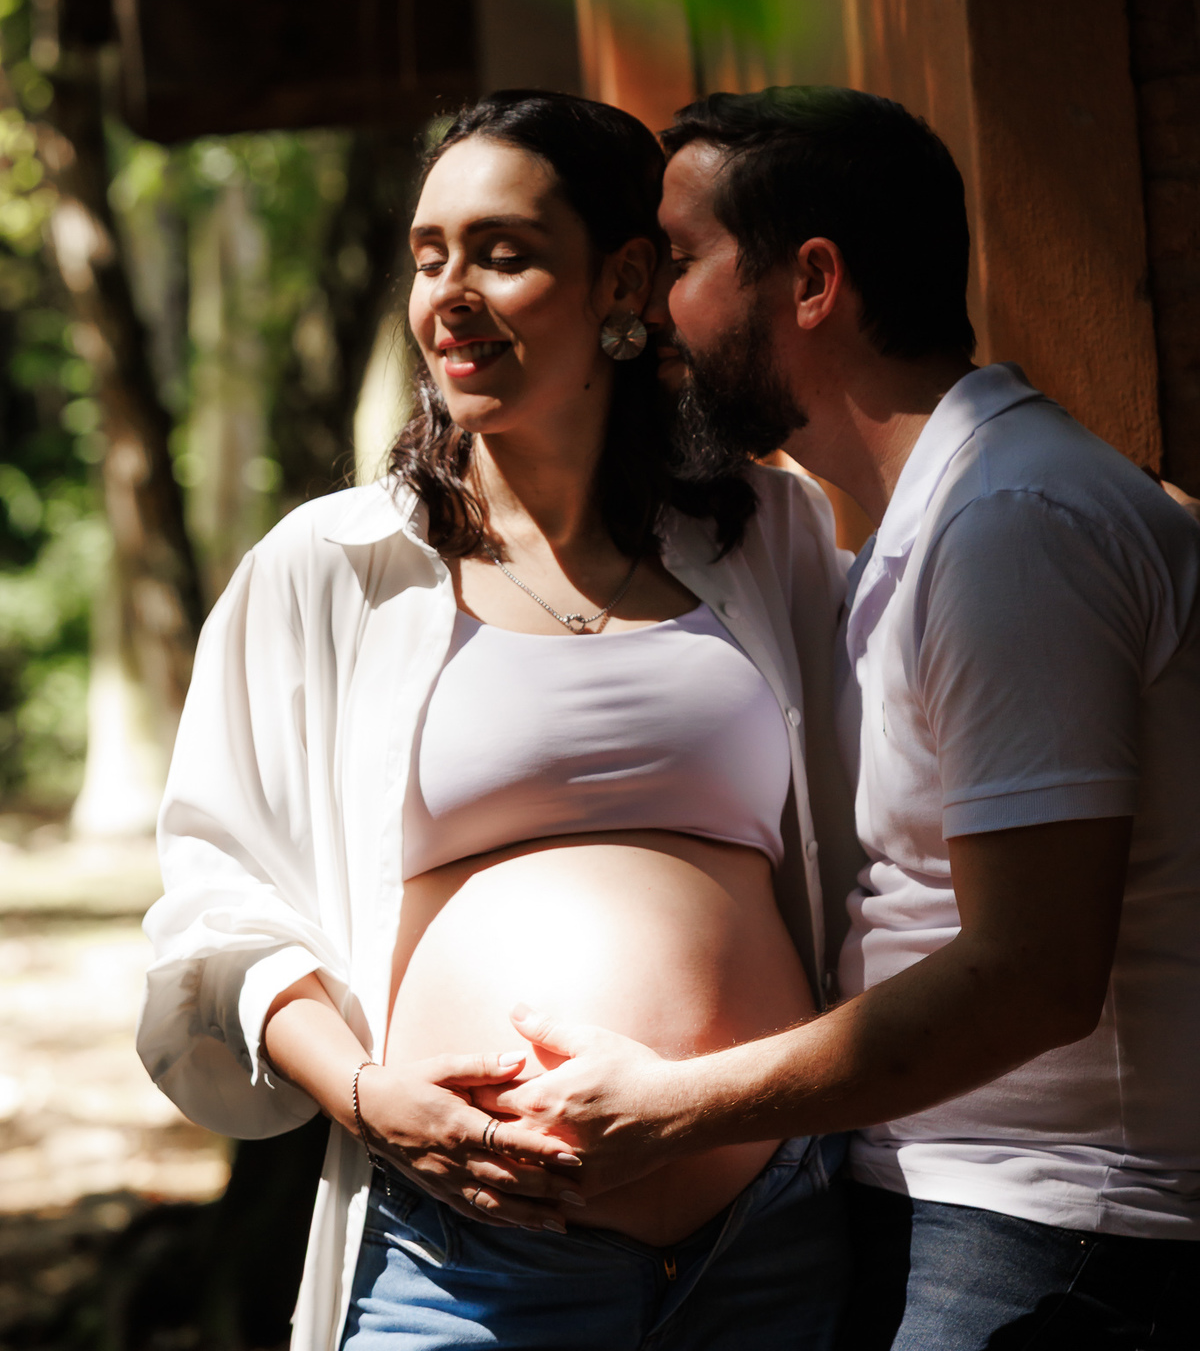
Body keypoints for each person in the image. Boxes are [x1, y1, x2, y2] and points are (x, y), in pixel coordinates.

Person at [136, 90, 858, 1351]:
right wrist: (368, 1099)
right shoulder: (332, 567)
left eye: (502, 254)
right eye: (429, 258)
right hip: (468, 1257)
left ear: (625, 279)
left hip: (772, 1237)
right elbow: (218, 899)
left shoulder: (767, 534)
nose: (447, 296)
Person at [493, 87, 1200, 1349]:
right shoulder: (924, 524)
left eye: (690, 259)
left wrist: (675, 1105)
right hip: (950, 1202)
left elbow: (1034, 975)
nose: (652, 310)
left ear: (812, 280)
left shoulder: (1009, 523)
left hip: (1055, 1233)